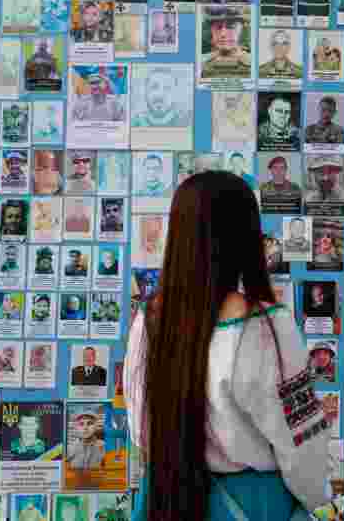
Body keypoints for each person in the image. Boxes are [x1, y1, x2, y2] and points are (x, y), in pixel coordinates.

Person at [125, 171, 329, 521]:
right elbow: (301, 442)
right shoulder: (266, 324)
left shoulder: (149, 320)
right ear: (245, 237)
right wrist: (318, 502)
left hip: (167, 498)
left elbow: (141, 429)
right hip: (255, 504)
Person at [201, 5, 251, 77]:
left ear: (242, 30)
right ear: (211, 31)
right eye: (218, 27)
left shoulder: (255, 64)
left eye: (230, 27)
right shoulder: (201, 64)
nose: (223, 34)